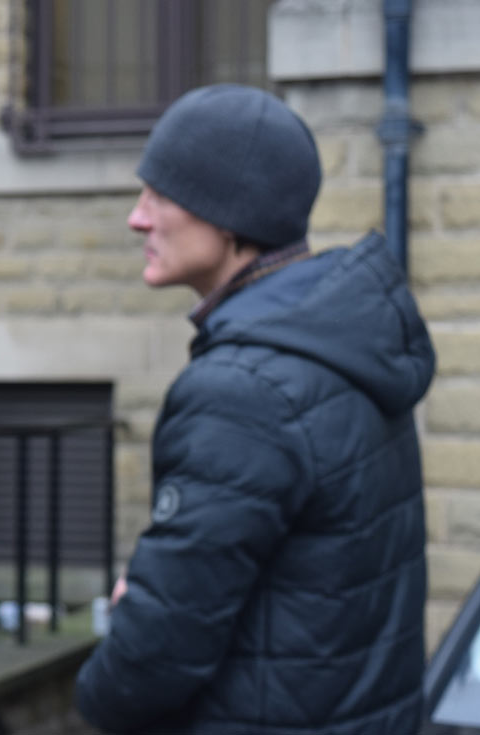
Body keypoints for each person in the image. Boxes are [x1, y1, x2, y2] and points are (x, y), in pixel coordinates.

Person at [75, 84, 434, 734]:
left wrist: (97, 692)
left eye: (161, 193)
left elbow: (158, 647)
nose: (137, 217)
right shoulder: (341, 346)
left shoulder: (242, 390)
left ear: (228, 215)